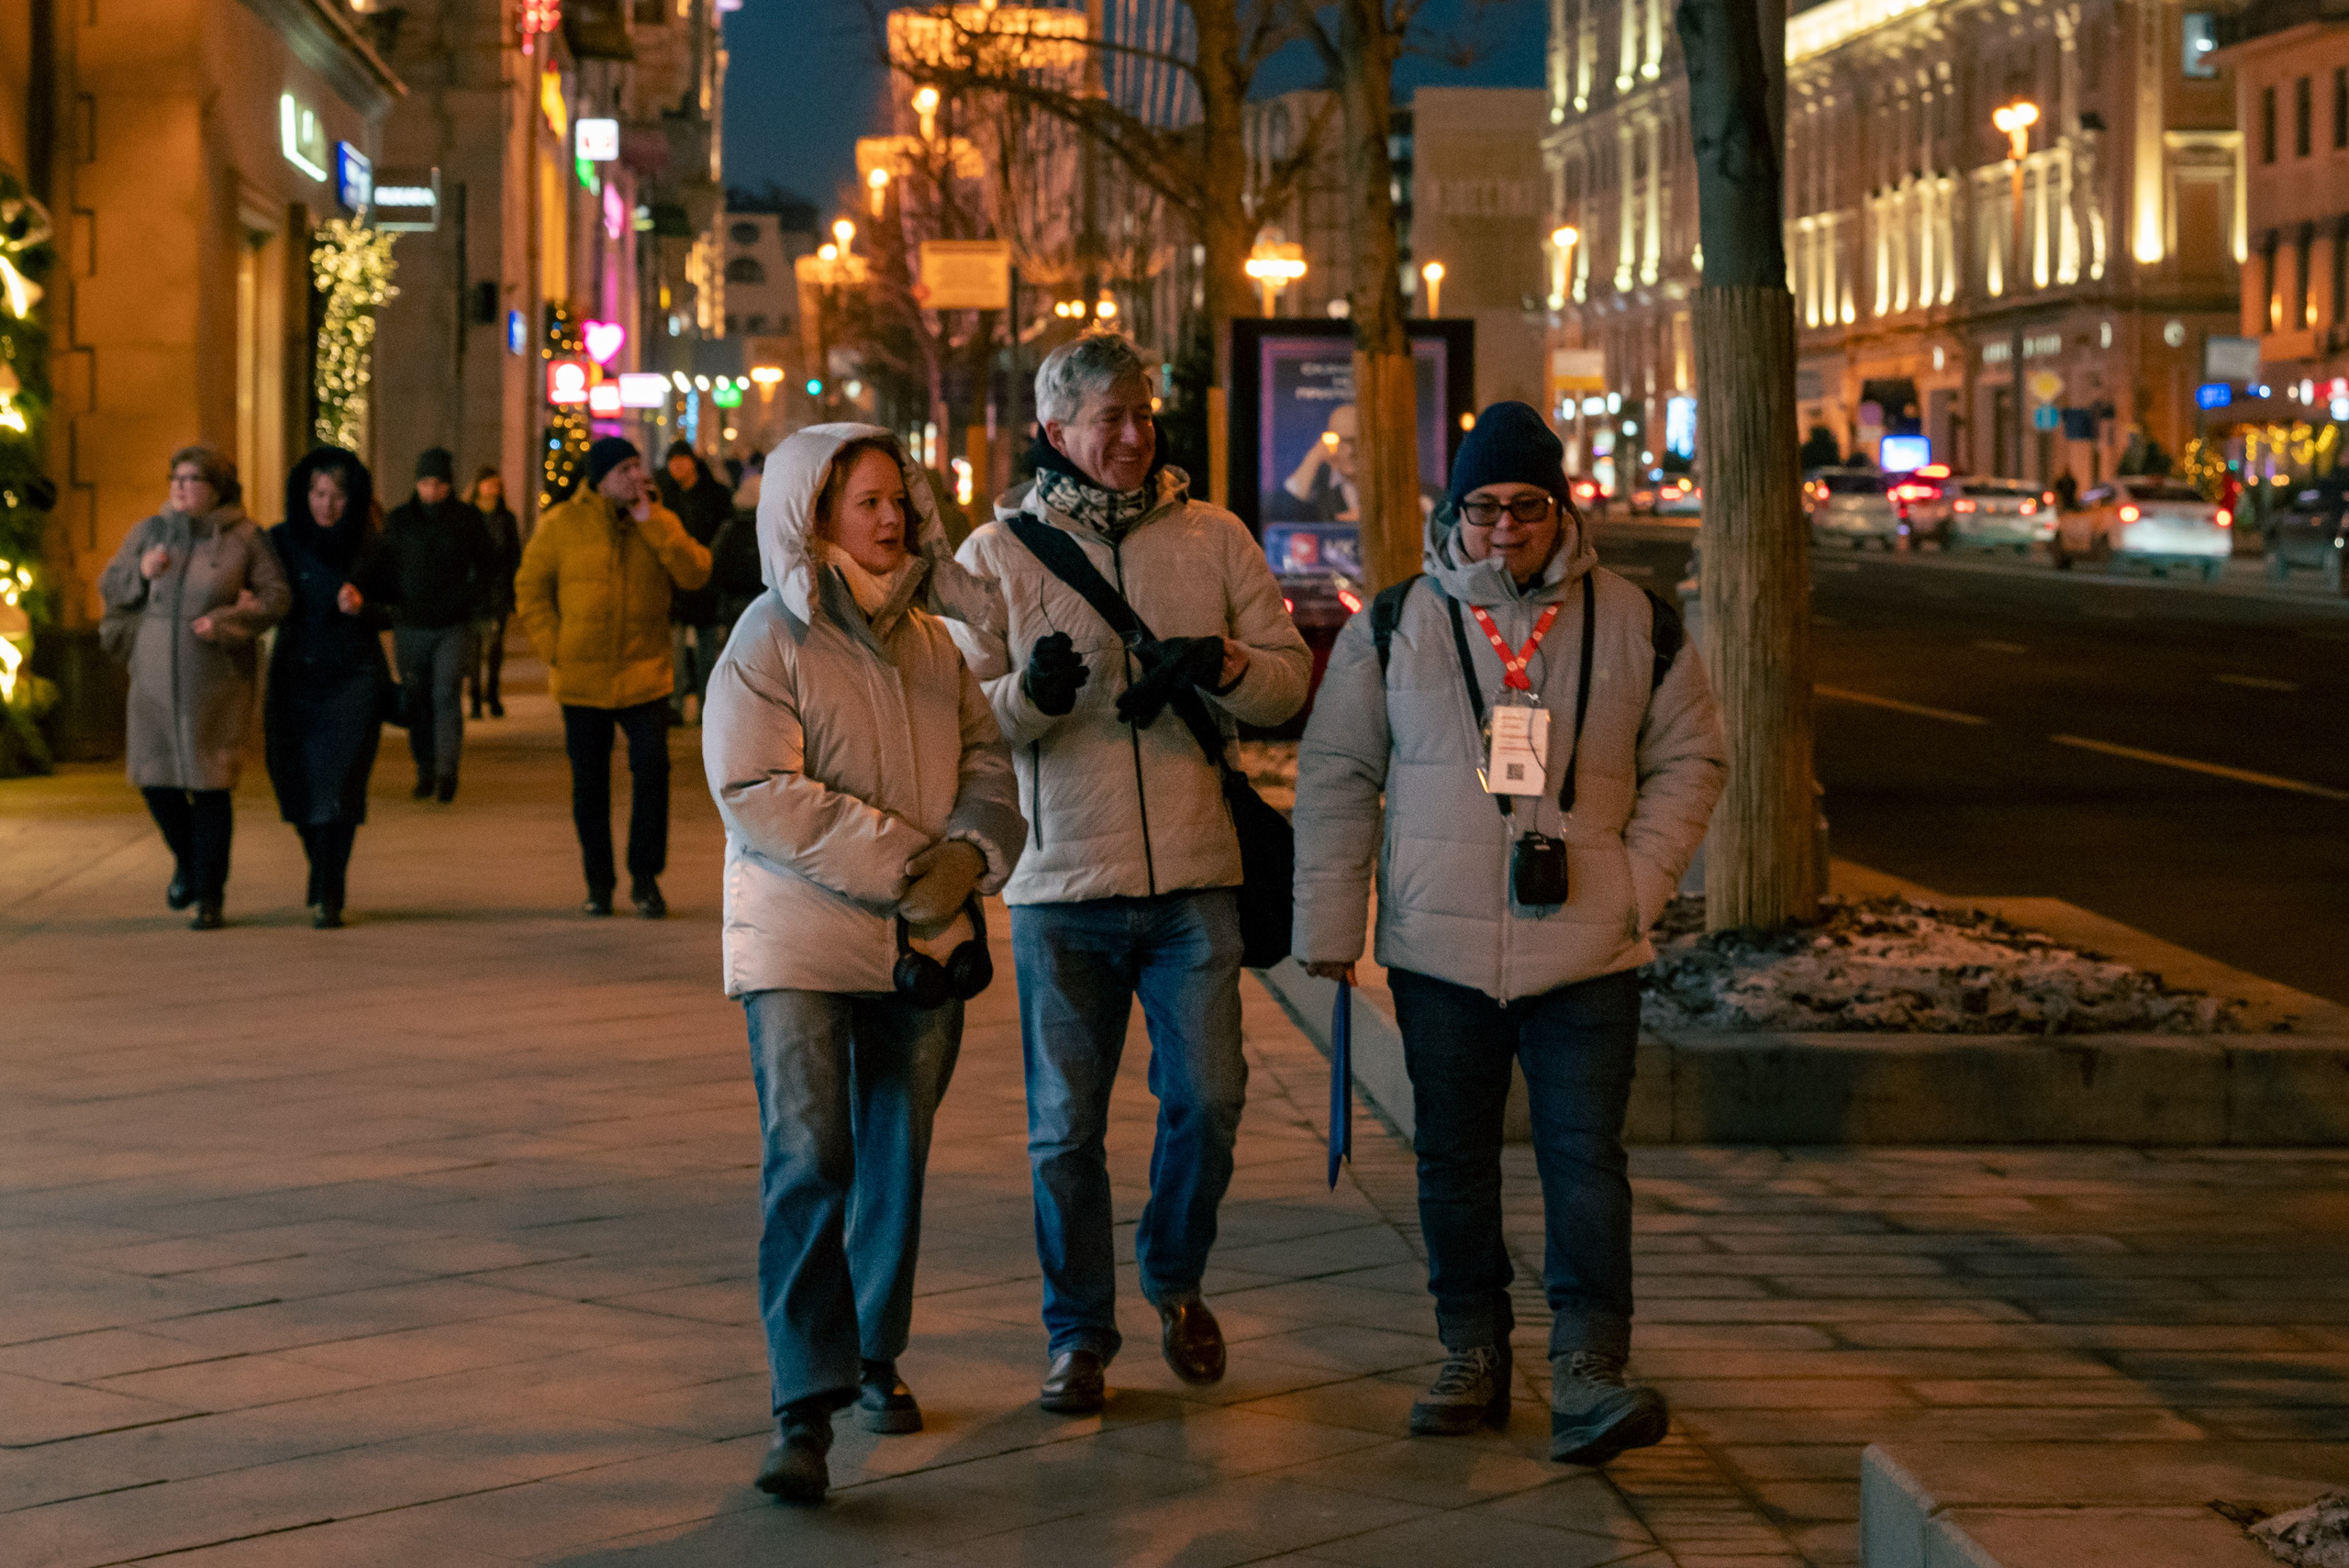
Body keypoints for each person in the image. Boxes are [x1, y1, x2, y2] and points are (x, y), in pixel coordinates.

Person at [1292, 401, 1724, 1466]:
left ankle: (1588, 1366)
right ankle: (1471, 1349)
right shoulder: (1396, 621)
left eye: (1525, 506)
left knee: (1584, 1159)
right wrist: (1329, 921)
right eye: (1482, 507)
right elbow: (1339, 772)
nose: (1502, 528)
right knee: (1453, 1160)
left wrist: (1638, 879)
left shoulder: (1633, 618)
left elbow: (1692, 758)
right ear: (1456, 508)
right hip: (1437, 945)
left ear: (1559, 505)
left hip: (1586, 941)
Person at [948, 332, 1311, 1413]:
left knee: (1209, 1095)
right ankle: (1078, 1334)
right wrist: (1030, 698)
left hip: (1196, 875)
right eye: (1105, 418)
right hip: (1060, 886)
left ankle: (1174, 1274)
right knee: (1065, 1127)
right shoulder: (996, 551)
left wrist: (1226, 665)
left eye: (1140, 413)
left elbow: (1290, 686)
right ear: (1056, 433)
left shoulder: (1214, 536)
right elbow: (956, 714)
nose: (1129, 434)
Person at [704, 425, 1024, 1504]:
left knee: (896, 1152)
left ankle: (874, 1352)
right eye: (868, 502)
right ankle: (802, 1403)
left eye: (900, 499)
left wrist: (973, 855)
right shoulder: (768, 636)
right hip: (799, 942)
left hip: (922, 947)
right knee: (809, 1155)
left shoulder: (935, 646)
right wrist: (911, 863)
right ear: (813, 516)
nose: (892, 519)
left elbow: (988, 766)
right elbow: (754, 790)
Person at [517, 436, 711, 917]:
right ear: (602, 479)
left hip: (645, 675)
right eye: (625, 469)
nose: (636, 477)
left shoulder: (659, 520)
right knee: (590, 784)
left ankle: (645, 879)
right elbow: (530, 586)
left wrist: (655, 527)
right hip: (582, 679)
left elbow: (696, 573)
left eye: (637, 467)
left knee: (651, 774)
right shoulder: (561, 523)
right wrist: (553, 646)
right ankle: (598, 883)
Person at [97, 444, 289, 929]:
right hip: (154, 680)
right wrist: (142, 573)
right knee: (155, 782)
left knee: (210, 787)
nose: (181, 487)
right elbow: (112, 585)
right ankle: (189, 863)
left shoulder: (245, 539)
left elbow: (275, 597)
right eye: (176, 478)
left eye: (193, 479)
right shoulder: (150, 532)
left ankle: (210, 896)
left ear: (217, 489)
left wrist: (227, 621)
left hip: (215, 683)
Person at [264, 448, 395, 929]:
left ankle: (330, 888)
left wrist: (364, 606)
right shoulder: (279, 541)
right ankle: (320, 868)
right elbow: (261, 595)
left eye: (337, 495)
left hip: (353, 678)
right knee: (293, 779)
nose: (326, 505)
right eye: (318, 493)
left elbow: (399, 607)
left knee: (340, 785)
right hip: (294, 676)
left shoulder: (371, 545)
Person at [381, 448, 495, 801]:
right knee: (418, 699)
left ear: (448, 484)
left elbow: (488, 563)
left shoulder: (466, 520)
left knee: (445, 694)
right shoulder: (399, 522)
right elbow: (384, 566)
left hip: (452, 624)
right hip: (411, 624)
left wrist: (473, 601)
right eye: (426, 483)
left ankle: (447, 772)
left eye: (438, 483)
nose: (431, 490)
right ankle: (425, 769)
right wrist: (390, 604)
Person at [658, 440, 734, 725]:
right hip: (674, 583)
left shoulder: (715, 494)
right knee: (675, 651)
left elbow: (723, 534)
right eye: (672, 460)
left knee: (706, 652)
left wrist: (707, 562)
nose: (676, 465)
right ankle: (675, 704)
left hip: (706, 581)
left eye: (681, 459)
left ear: (692, 462)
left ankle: (707, 706)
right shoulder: (664, 495)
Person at [463, 467, 521, 719]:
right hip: (474, 590)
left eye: (496, 485)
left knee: (495, 646)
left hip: (498, 588)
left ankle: (493, 693)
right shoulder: (466, 516)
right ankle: (476, 697)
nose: (492, 490)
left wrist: (514, 591)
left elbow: (514, 555)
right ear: (478, 486)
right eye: (488, 484)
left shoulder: (506, 518)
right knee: (473, 646)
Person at [1271, 403, 1361, 522]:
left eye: (1355, 441)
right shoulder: (1319, 478)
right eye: (1342, 441)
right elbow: (1279, 516)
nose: (1350, 451)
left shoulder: (1382, 480)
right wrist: (1313, 457)